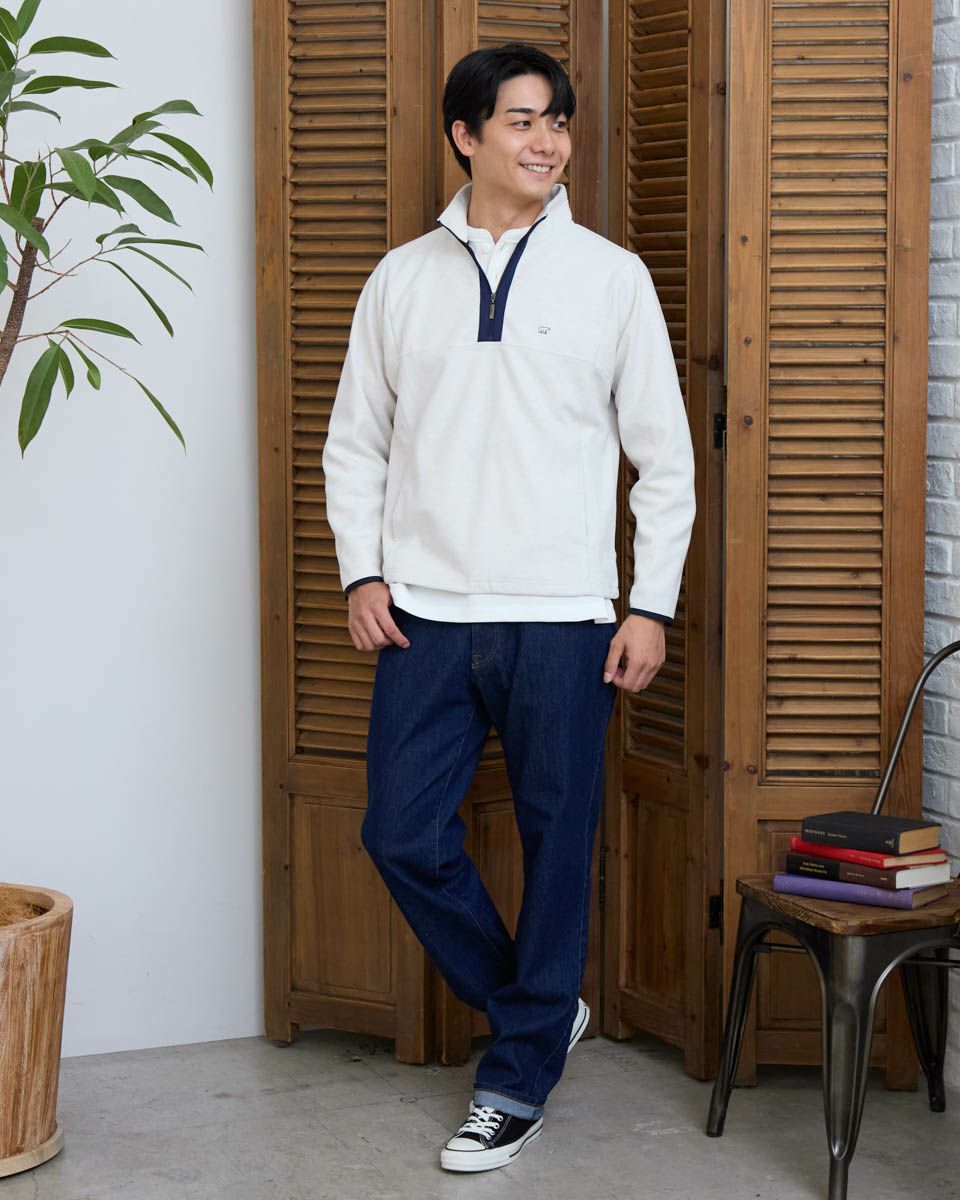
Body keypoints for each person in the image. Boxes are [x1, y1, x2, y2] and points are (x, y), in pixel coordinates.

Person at [321, 42, 696, 1173]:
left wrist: (651, 605)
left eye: (559, 122)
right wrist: (361, 572)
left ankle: (514, 1077)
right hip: (424, 614)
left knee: (557, 844)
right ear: (466, 135)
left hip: (567, 619)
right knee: (400, 833)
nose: (547, 141)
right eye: (523, 120)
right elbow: (356, 445)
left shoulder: (611, 277)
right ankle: (536, 1010)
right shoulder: (400, 280)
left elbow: (665, 460)